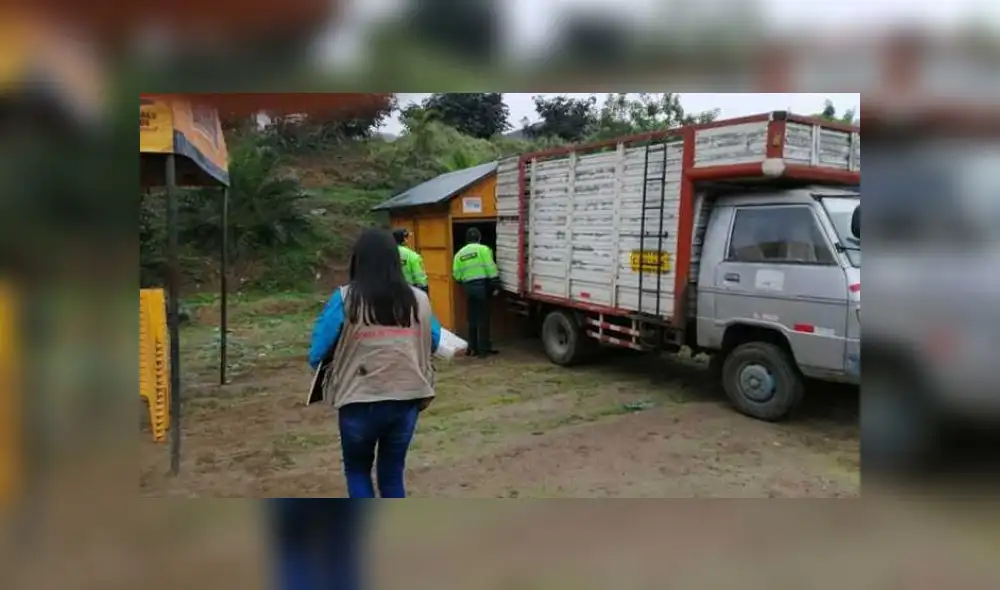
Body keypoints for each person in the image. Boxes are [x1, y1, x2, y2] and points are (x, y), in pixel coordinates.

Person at [308, 228, 442, 498]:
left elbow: (316, 354)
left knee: (357, 471)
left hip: (359, 400)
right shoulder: (419, 300)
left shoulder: (344, 299)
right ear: (395, 260)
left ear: (358, 261)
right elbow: (435, 342)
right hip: (407, 398)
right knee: (392, 474)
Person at [452, 227, 499, 358]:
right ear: (479, 238)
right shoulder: (484, 250)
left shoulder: (459, 254)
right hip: (482, 286)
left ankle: (472, 348)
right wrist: (495, 284)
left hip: (469, 288)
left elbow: (456, 275)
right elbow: (490, 267)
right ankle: (484, 350)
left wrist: (465, 283)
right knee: (483, 318)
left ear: (467, 239)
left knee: (472, 318)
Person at [392, 228, 429, 294]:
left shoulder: (386, 253)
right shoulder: (412, 255)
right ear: (404, 239)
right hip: (409, 292)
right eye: (407, 237)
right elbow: (420, 278)